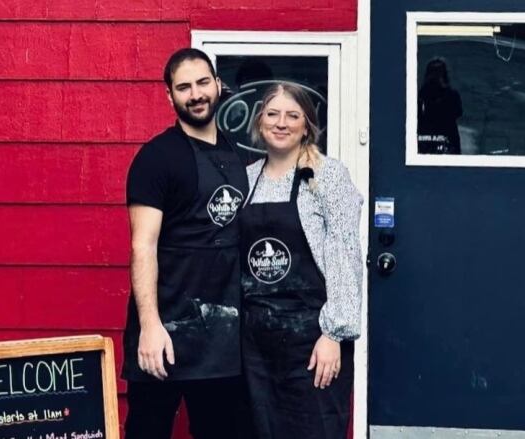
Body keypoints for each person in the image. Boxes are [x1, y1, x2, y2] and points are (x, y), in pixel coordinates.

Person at [122, 48, 252, 439]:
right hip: (167, 329)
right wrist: (150, 326)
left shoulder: (238, 154)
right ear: (169, 96)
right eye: (183, 88)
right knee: (149, 430)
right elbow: (142, 246)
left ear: (217, 84)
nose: (195, 94)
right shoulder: (157, 158)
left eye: (202, 83)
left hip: (224, 339)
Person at [239, 81, 363, 438]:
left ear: (307, 125)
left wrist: (333, 334)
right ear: (260, 121)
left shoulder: (327, 176)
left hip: (311, 341)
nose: (282, 123)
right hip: (256, 346)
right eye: (273, 114)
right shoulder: (246, 179)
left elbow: (345, 254)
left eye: (293, 115)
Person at [417, 57, 463, 154]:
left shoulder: (422, 94)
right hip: (446, 137)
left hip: (429, 138)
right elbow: (458, 112)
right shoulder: (451, 94)